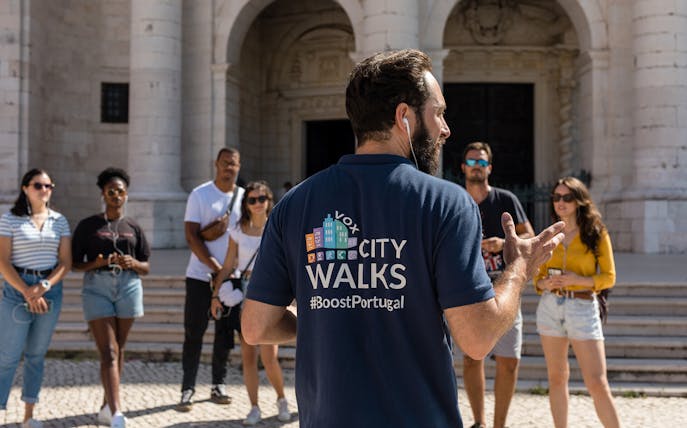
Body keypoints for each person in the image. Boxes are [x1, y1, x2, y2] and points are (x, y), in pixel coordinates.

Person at [240, 49, 565, 427]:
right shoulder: (445, 203)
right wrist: (519, 269)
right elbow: (477, 337)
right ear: (404, 117)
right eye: (439, 113)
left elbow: (256, 327)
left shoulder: (295, 203)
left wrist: (320, 315)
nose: (446, 129)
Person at [533, 177, 620, 428]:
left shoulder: (596, 233)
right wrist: (544, 285)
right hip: (550, 307)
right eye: (556, 197)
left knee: (596, 382)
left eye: (567, 197)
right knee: (557, 378)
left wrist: (578, 280)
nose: (560, 202)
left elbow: (609, 277)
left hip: (582, 308)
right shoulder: (549, 233)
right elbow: (536, 278)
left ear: (579, 201)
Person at [460, 141, 535, 428]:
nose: (476, 167)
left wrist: (504, 242)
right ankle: (479, 422)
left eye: (481, 163)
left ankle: (499, 425)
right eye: (472, 162)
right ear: (463, 167)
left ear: (489, 168)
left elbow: (530, 236)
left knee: (509, 361)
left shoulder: (506, 200)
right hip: (468, 290)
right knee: (471, 357)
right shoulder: (456, 199)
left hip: (505, 288)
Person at [71, 167, 150, 428]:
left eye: (121, 191)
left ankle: (106, 405)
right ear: (103, 194)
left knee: (118, 349)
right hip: (97, 286)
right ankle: (117, 412)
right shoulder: (88, 226)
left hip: (128, 285)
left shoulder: (133, 226)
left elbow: (147, 266)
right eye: (111, 191)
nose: (116, 195)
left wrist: (133, 262)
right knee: (109, 351)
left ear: (126, 195)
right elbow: (75, 264)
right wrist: (96, 262)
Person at [212, 181, 291, 425]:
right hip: (245, 294)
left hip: (271, 295)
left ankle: (281, 399)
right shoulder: (237, 230)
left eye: (261, 199)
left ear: (269, 201)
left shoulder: (277, 227)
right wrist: (216, 295)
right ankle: (254, 407)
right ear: (245, 204)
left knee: (269, 356)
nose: (257, 204)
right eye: (251, 200)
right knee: (247, 356)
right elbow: (227, 266)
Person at [0, 168, 71, 428]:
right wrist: (26, 292)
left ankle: (29, 416)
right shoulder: (9, 219)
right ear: (25, 188)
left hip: (49, 290)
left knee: (36, 355)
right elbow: (2, 262)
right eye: (38, 185)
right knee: (7, 355)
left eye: (48, 186)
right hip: (15, 289)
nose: (44, 190)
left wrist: (42, 286)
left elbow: (65, 262)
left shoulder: (60, 221)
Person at [177, 147, 245, 411]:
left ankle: (219, 384)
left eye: (234, 164)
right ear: (215, 164)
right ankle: (187, 388)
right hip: (200, 276)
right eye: (225, 163)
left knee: (225, 334)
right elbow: (191, 236)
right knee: (194, 332)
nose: (229, 168)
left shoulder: (243, 198)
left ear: (239, 166)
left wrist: (230, 271)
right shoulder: (200, 194)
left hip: (231, 279)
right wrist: (216, 267)